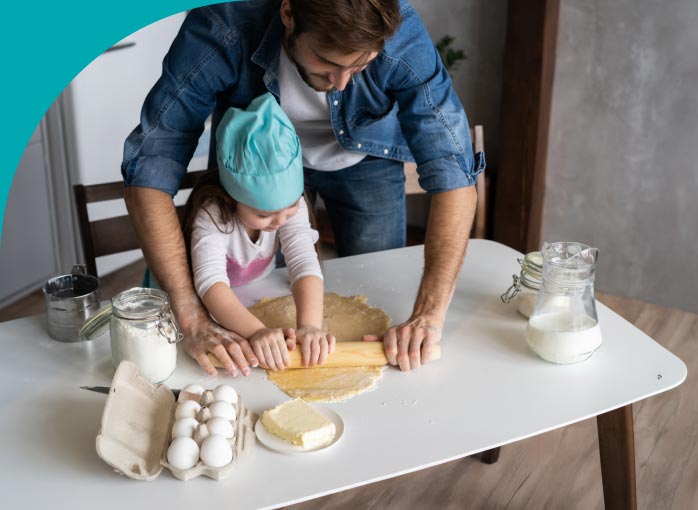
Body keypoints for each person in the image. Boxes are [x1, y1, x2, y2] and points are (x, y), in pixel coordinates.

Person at [121, 0, 484, 376]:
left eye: (360, 66)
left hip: (367, 158)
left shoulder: (399, 33)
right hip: (253, 160)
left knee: (375, 286)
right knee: (251, 300)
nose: (342, 82)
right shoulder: (223, 22)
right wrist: (193, 320)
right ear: (289, 13)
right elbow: (151, 164)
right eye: (328, 62)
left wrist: (428, 316)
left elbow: (454, 173)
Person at [183, 93, 334, 371]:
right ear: (232, 196)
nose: (279, 221)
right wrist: (256, 332)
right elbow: (211, 284)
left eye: (289, 208)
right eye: (263, 215)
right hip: (198, 306)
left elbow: (303, 262)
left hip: (254, 291)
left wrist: (310, 326)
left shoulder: (292, 205)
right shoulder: (213, 214)